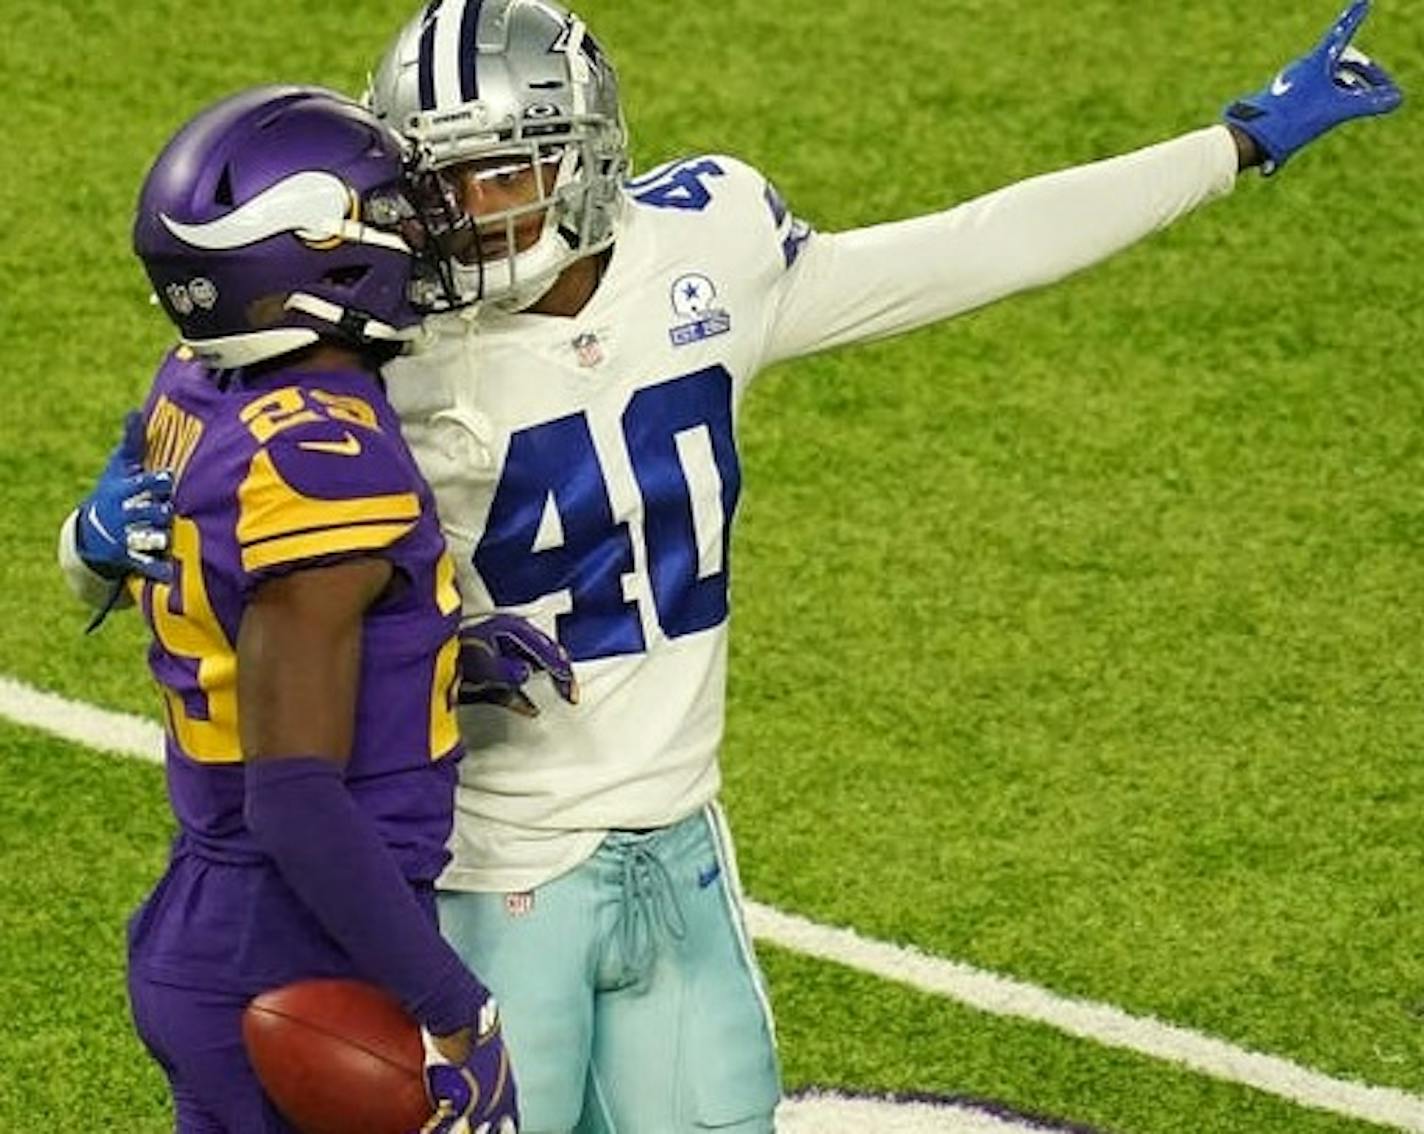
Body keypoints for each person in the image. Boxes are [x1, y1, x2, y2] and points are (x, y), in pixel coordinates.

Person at [64, 2, 1402, 1130]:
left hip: (684, 842)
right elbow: (186, 505)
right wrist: (95, 539)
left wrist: (1234, 143)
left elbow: (967, 247)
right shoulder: (367, 342)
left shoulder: (709, 247)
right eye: (434, 180)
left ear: (579, 159)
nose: (461, 219)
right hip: (481, 866)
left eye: (498, 175)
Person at [68, 85, 525, 1133]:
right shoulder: (326, 456)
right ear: (305, 258)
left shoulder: (195, 383)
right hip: (293, 938)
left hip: (219, 907)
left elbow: (256, 608)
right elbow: (295, 800)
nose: (418, 234)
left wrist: (426, 656)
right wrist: (460, 1019)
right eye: (389, 215)